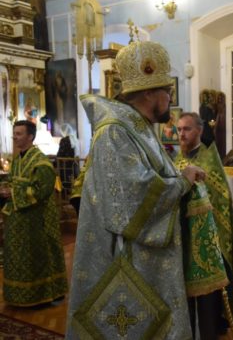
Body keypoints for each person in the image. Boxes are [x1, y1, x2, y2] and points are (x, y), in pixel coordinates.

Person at [65, 41, 205, 339]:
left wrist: (180, 175)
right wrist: (183, 181)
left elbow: (148, 176)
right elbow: (131, 199)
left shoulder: (138, 127)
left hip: (149, 257)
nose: (170, 99)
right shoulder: (115, 131)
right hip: (129, 260)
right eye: (167, 92)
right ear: (149, 93)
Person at [174, 112, 233, 339]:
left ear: (199, 131)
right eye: (179, 129)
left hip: (209, 238)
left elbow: (220, 194)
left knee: (210, 297)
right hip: (184, 234)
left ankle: (211, 327)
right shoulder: (178, 159)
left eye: (186, 129)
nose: (181, 134)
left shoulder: (208, 159)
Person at [0, 120, 68, 307]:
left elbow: (41, 190)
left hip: (38, 220)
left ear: (30, 137)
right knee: (18, 256)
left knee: (39, 256)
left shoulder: (42, 162)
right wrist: (6, 188)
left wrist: (11, 192)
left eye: (19, 134)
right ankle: (18, 295)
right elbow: (13, 182)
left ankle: (42, 294)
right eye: (14, 133)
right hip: (17, 218)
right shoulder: (17, 159)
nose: (14, 137)